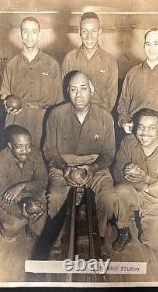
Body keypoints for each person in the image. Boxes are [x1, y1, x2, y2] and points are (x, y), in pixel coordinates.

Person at [43, 70, 117, 240]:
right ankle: (58, 236)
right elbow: (50, 150)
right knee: (55, 197)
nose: (79, 95)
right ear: (67, 91)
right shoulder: (56, 115)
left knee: (108, 197)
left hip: (95, 165)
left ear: (91, 88)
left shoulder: (105, 116)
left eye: (83, 88)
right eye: (74, 89)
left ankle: (98, 236)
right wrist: (65, 168)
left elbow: (108, 153)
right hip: (63, 164)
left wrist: (93, 168)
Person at [113, 108, 158, 251]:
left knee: (156, 245)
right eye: (141, 127)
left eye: (151, 128)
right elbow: (117, 174)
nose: (145, 133)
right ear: (135, 127)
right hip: (135, 191)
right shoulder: (128, 142)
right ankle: (123, 229)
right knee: (118, 190)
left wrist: (148, 181)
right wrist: (147, 186)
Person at [0, 16, 63, 148]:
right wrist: (7, 104)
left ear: (39, 35)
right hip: (18, 121)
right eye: (25, 31)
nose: (29, 36)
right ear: (21, 35)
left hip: (43, 121)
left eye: (34, 31)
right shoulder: (11, 65)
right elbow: (5, 94)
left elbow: (59, 101)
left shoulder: (52, 64)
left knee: (43, 160)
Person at [117, 28, 158, 141]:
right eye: (148, 44)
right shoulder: (133, 73)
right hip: (137, 131)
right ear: (144, 46)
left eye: (156, 43)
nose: (151, 48)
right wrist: (124, 122)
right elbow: (123, 103)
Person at [0, 125, 48, 240]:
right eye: (19, 147)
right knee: (12, 229)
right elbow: (1, 198)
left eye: (28, 146)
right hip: (8, 200)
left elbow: (42, 182)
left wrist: (23, 186)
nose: (25, 151)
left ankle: (32, 224)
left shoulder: (36, 154)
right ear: (10, 146)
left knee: (47, 223)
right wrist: (22, 211)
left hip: (31, 193)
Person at [62, 12, 118, 112]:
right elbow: (64, 93)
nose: (89, 36)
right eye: (85, 31)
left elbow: (112, 97)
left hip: (100, 117)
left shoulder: (110, 61)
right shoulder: (69, 58)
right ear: (79, 32)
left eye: (93, 31)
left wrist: (100, 118)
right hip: (73, 117)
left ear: (100, 31)